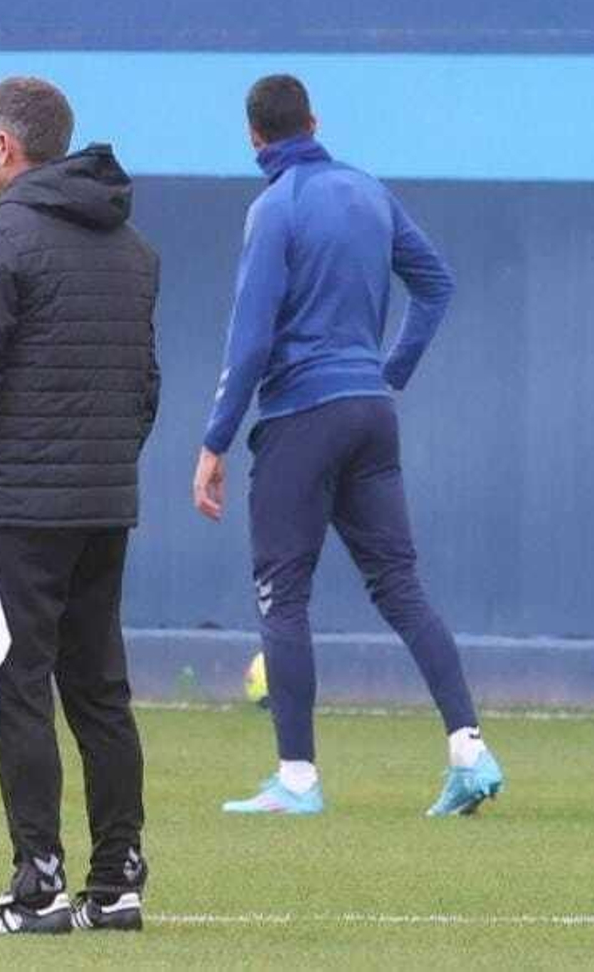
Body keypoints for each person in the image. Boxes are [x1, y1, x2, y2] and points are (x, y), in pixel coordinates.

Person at [192, 74, 504, 817]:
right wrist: (387, 371)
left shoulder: (274, 208)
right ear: (315, 121)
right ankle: (469, 747)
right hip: (370, 412)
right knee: (400, 586)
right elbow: (435, 283)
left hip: (303, 417)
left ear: (254, 138)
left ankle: (297, 778)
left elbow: (252, 335)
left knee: (283, 594)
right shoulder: (367, 190)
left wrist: (215, 440)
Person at [0, 77, 159, 934]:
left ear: (7, 149)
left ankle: (38, 885)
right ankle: (118, 879)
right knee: (100, 692)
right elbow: (144, 387)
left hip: (18, 507)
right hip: (103, 503)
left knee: (19, 690)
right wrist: (105, 466)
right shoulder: (131, 246)